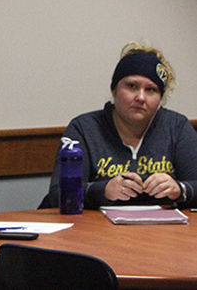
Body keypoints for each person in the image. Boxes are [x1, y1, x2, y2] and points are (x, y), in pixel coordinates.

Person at [41, 41, 197, 209]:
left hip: (161, 230)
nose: (141, 97)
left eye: (151, 90)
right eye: (132, 86)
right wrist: (103, 191)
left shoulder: (176, 127)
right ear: (114, 90)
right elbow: (58, 194)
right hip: (95, 230)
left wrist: (180, 190)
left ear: (160, 98)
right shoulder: (84, 129)